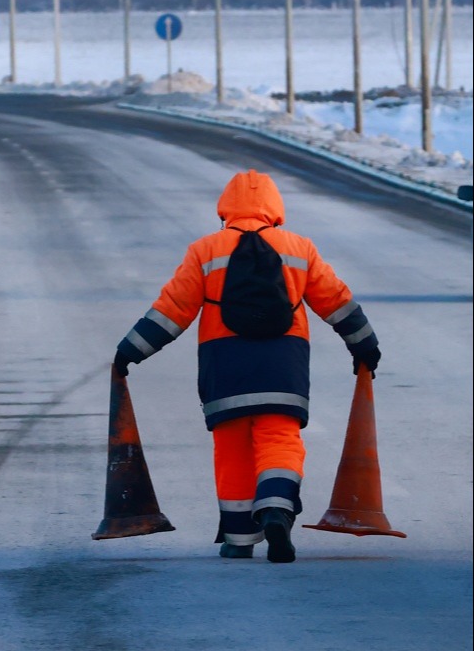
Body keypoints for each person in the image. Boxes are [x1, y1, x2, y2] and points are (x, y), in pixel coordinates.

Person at [112, 169, 380, 563]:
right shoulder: (299, 248)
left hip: (225, 365)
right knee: (280, 439)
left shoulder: (206, 250)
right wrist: (365, 345)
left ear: (225, 209)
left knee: (232, 446)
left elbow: (173, 311)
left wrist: (129, 351)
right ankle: (276, 508)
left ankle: (239, 539)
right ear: (275, 208)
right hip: (283, 364)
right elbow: (336, 301)